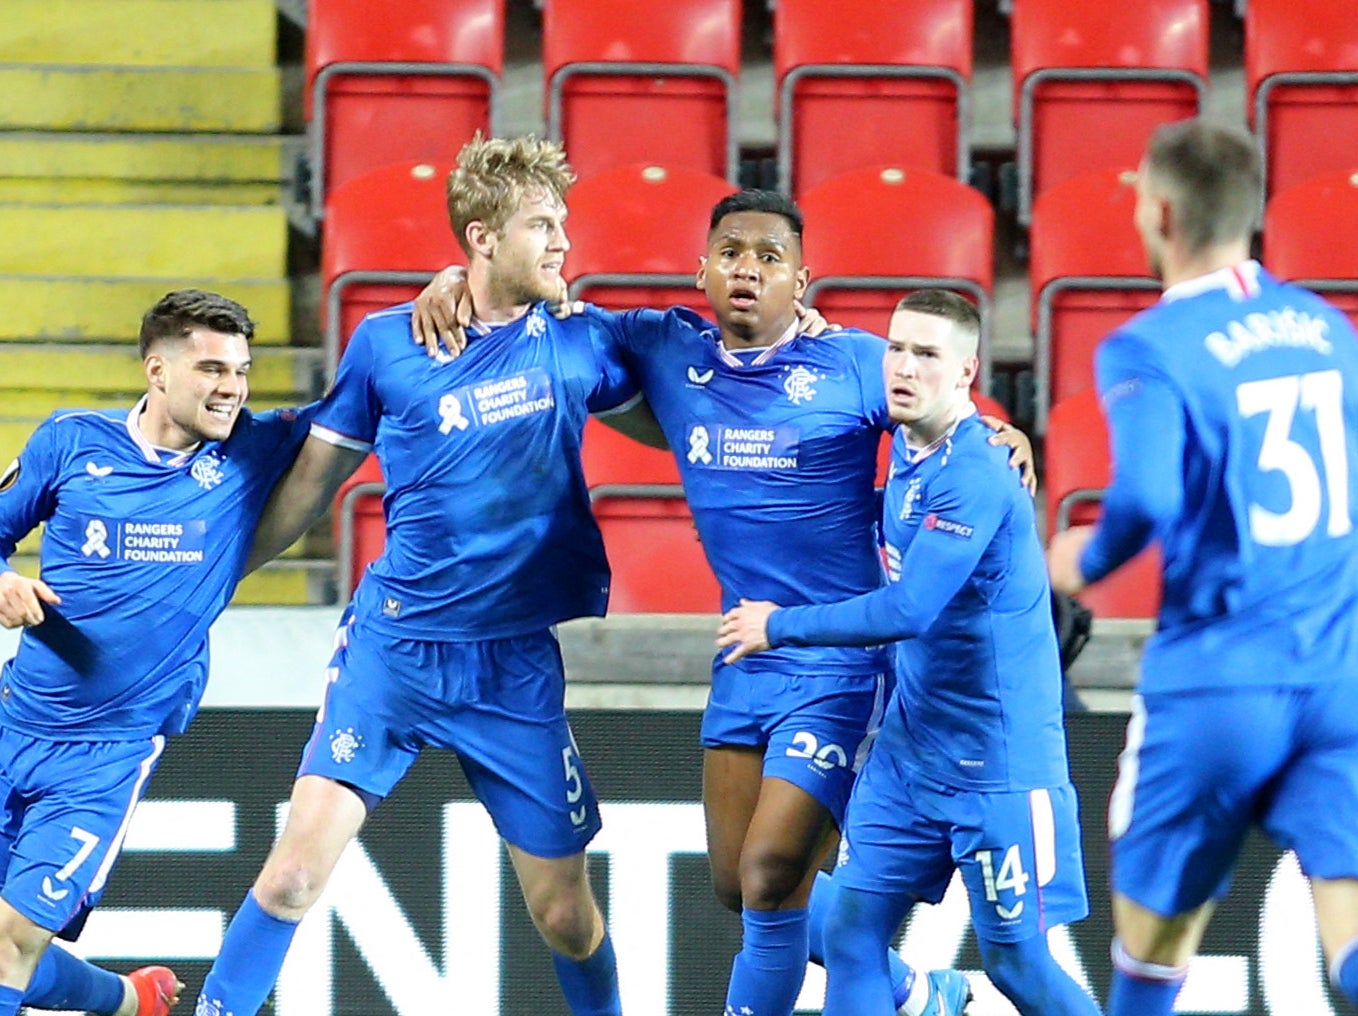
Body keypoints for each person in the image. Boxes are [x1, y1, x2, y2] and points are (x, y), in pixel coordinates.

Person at [413, 192, 1036, 1016]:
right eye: (731, 251)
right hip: (746, 655)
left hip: (839, 661)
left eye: (770, 256)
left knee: (772, 873)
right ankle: (920, 989)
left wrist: (1005, 432)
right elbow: (535, 321)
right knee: (736, 887)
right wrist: (451, 283)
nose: (748, 268)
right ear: (700, 268)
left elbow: (948, 425)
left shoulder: (854, 363)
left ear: (802, 282)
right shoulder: (664, 347)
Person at [190, 134, 651, 1016]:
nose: (563, 243)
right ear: (481, 239)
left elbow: (694, 431)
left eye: (564, 224)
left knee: (564, 915)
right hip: (394, 651)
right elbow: (307, 492)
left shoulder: (578, 343)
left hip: (512, 665)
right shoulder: (388, 344)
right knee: (291, 878)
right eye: (542, 225)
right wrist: (212, 587)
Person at [1047, 117, 1358, 1015]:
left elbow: (1143, 497)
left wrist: (1082, 559)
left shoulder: (1150, 347)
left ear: (1162, 213)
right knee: (1352, 934)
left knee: (1151, 946)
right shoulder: (1328, 327)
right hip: (1337, 674)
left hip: (1219, 681)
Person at [718, 290, 1100, 1016]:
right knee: (854, 933)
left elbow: (908, 610)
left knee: (1018, 966)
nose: (904, 365)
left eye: (927, 354)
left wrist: (779, 625)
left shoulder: (976, 475)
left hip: (998, 767)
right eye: (896, 347)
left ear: (967, 371)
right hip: (909, 754)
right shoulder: (906, 436)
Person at [0, 290, 315, 1016]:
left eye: (240, 369)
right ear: (157, 370)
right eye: (210, 368)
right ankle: (127, 1001)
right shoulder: (70, 442)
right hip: (17, 719)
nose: (231, 387)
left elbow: (364, 402)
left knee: (14, 939)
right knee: (7, 943)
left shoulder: (252, 449)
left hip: (107, 755)